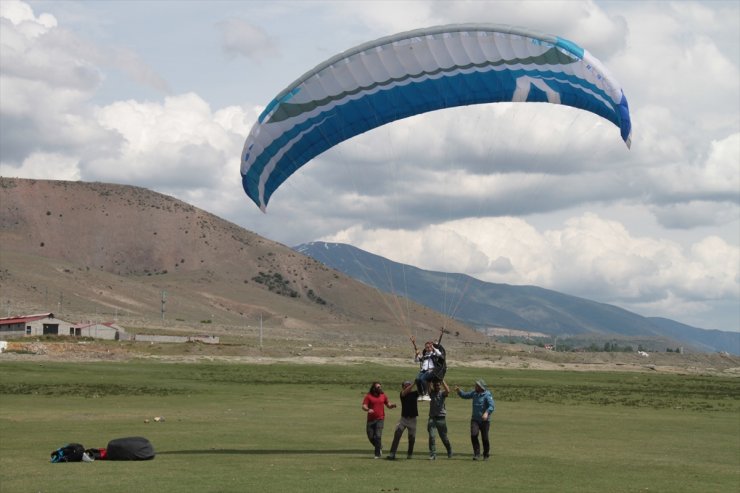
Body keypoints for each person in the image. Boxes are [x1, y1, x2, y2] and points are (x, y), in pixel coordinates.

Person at [455, 379, 495, 461]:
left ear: (481, 387)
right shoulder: (474, 393)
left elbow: (492, 406)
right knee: (474, 435)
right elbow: (465, 395)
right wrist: (459, 391)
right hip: (475, 420)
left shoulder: (487, 395)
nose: (475, 386)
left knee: (485, 438)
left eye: (477, 385)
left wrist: (486, 413)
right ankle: (477, 454)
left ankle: (486, 454)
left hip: (485, 421)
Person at [361, 381, 397, 458]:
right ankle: (379, 446)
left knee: (378, 436)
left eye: (380, 386)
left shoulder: (383, 395)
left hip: (380, 419)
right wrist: (368, 409)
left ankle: (377, 454)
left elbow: (388, 405)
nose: (380, 388)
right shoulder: (368, 396)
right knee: (370, 437)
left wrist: (392, 405)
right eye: (378, 387)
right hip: (370, 420)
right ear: (374, 388)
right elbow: (364, 406)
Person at [386, 380, 419, 460]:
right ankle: (392, 454)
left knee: (412, 438)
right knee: (397, 434)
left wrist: (426, 382)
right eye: (405, 385)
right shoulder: (402, 394)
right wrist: (414, 383)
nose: (407, 386)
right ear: (403, 387)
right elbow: (405, 392)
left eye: (408, 385)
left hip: (413, 419)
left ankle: (409, 454)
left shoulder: (414, 394)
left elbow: (424, 391)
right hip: (403, 419)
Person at [411, 329, 444, 400]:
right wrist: (416, 355)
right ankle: (421, 394)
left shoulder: (434, 354)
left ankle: (426, 394)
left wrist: (433, 347)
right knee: (417, 380)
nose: (427, 348)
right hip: (423, 371)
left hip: (431, 371)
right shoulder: (425, 355)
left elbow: (439, 354)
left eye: (429, 347)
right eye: (426, 347)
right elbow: (416, 360)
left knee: (423, 379)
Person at [427, 379, 452, 460]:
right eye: (435, 385)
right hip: (432, 418)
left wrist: (442, 380)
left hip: (441, 419)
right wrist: (430, 377)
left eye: (438, 385)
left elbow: (448, 390)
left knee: (444, 437)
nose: (437, 386)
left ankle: (449, 450)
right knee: (432, 436)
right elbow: (428, 386)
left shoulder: (442, 394)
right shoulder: (431, 393)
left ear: (440, 385)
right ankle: (433, 454)